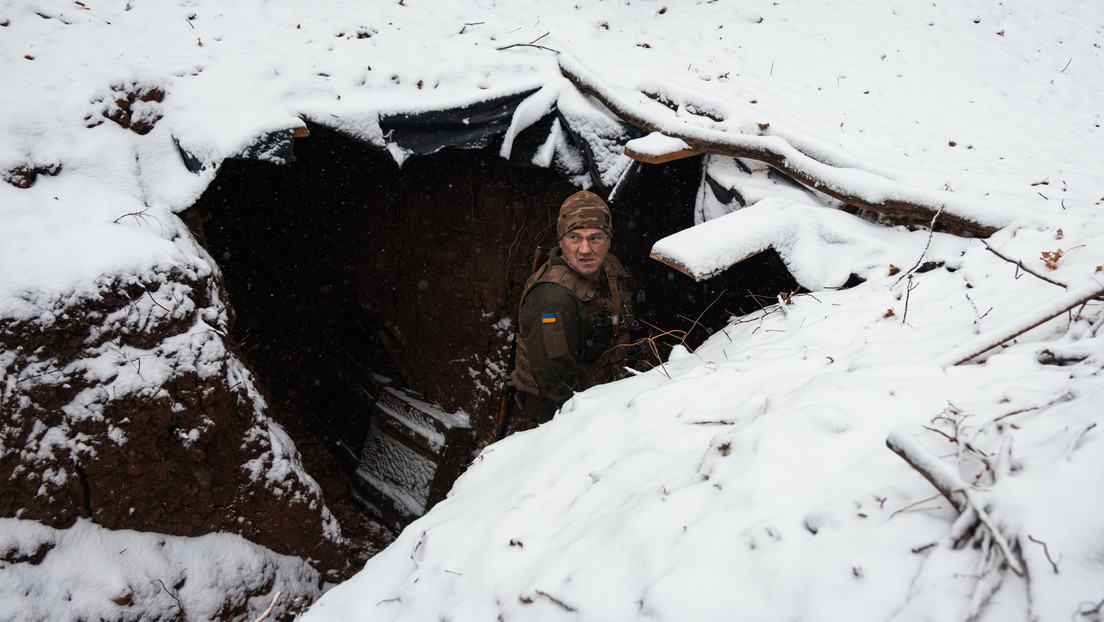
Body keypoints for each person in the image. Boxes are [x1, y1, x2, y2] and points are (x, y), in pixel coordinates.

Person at [508, 189, 644, 429]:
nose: (585, 250)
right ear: (560, 242)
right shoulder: (552, 300)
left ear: (609, 241)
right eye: (575, 238)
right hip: (554, 421)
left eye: (595, 237)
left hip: (606, 394)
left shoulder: (610, 267)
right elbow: (558, 388)